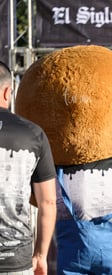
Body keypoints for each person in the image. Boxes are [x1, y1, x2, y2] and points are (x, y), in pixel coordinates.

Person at [0, 61, 57, 274]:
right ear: (8, 92)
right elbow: (48, 202)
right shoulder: (34, 134)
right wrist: (41, 255)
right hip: (17, 259)